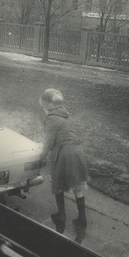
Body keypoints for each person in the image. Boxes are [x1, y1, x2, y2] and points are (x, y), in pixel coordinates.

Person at [39, 89, 89, 234]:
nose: (44, 111)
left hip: (65, 152)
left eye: (43, 108)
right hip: (77, 150)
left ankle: (61, 215)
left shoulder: (51, 119)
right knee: (77, 185)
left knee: (58, 182)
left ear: (48, 106)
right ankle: (82, 219)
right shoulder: (64, 114)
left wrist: (40, 158)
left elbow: (48, 143)